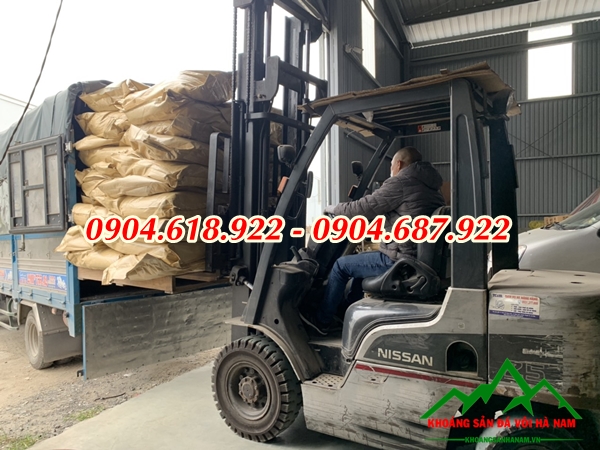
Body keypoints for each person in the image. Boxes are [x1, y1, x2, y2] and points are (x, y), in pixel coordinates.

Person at [300, 146, 446, 335]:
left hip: (400, 261)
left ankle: (322, 321)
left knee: (340, 266)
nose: (391, 169)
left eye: (391, 165)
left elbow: (362, 207)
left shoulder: (402, 182)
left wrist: (332, 208)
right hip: (417, 257)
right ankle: (346, 314)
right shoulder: (431, 187)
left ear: (399, 164)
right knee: (358, 268)